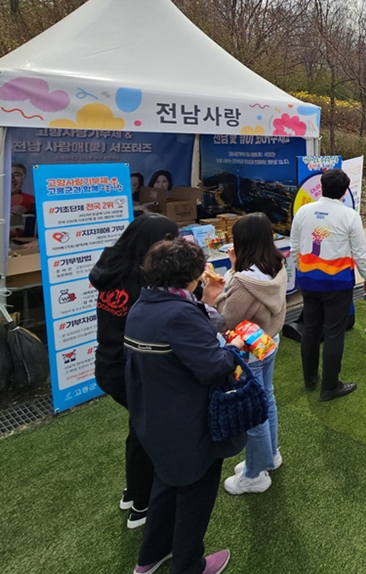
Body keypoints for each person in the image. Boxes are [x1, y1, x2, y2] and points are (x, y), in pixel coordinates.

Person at [125, 239, 246, 574]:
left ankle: (151, 556)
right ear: (191, 275)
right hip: (188, 420)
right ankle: (189, 565)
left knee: (165, 485)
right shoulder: (179, 313)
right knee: (195, 494)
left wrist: (204, 304)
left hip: (153, 417)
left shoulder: (143, 304)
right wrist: (234, 346)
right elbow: (211, 366)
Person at [89, 213, 179, 529]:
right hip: (131, 370)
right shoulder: (141, 281)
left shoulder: (113, 268)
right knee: (148, 434)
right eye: (168, 242)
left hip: (110, 365)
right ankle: (143, 505)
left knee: (139, 429)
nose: (173, 248)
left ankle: (134, 492)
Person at [205, 212, 288, 496]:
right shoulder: (277, 264)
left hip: (249, 352)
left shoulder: (243, 281)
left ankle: (255, 473)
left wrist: (218, 290)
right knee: (267, 397)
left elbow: (225, 319)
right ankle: (269, 457)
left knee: (253, 411)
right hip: (269, 341)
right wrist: (233, 270)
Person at [290, 168, 366, 400]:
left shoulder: (303, 212)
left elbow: (294, 246)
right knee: (334, 333)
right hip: (338, 284)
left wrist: (303, 270)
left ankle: (310, 380)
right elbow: (360, 250)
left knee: (311, 330)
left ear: (322, 186)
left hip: (308, 281)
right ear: (345, 191)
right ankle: (329, 386)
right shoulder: (349, 215)